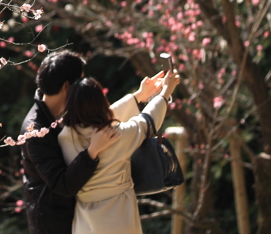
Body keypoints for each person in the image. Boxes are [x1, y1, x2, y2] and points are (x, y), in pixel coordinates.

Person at [20, 53, 169, 234]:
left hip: (79, 216)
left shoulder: (66, 115)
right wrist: (92, 151)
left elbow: (97, 121)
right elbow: (62, 184)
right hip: (53, 222)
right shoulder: (35, 130)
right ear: (68, 86)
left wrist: (138, 96)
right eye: (79, 81)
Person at [58, 70, 181, 234]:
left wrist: (139, 95)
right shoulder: (117, 135)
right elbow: (148, 121)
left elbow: (100, 117)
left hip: (85, 220)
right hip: (118, 215)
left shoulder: (64, 137)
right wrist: (165, 92)